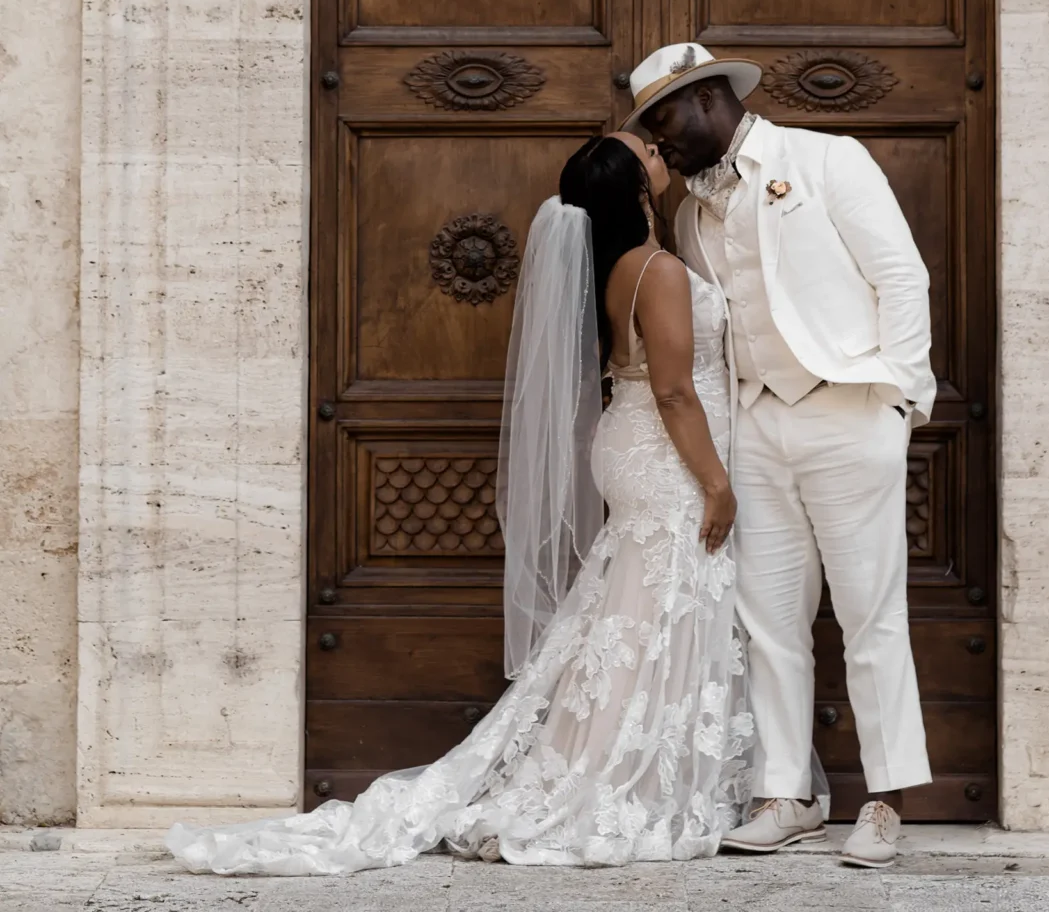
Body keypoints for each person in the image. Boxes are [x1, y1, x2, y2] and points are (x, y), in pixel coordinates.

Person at [166, 131, 752, 875]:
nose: (660, 146)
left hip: (629, 443)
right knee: (662, 604)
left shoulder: (613, 267)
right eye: (648, 149)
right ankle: (622, 777)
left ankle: (608, 755)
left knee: (634, 610)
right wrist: (717, 482)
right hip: (665, 451)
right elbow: (673, 389)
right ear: (638, 188)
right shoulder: (660, 270)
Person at [627, 42, 935, 871]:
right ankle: (784, 792)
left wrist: (900, 401)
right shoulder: (690, 214)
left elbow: (901, 278)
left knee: (871, 613)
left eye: (663, 123)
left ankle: (884, 801)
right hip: (757, 424)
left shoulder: (827, 160)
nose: (660, 146)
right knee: (768, 621)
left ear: (708, 100)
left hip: (848, 410)